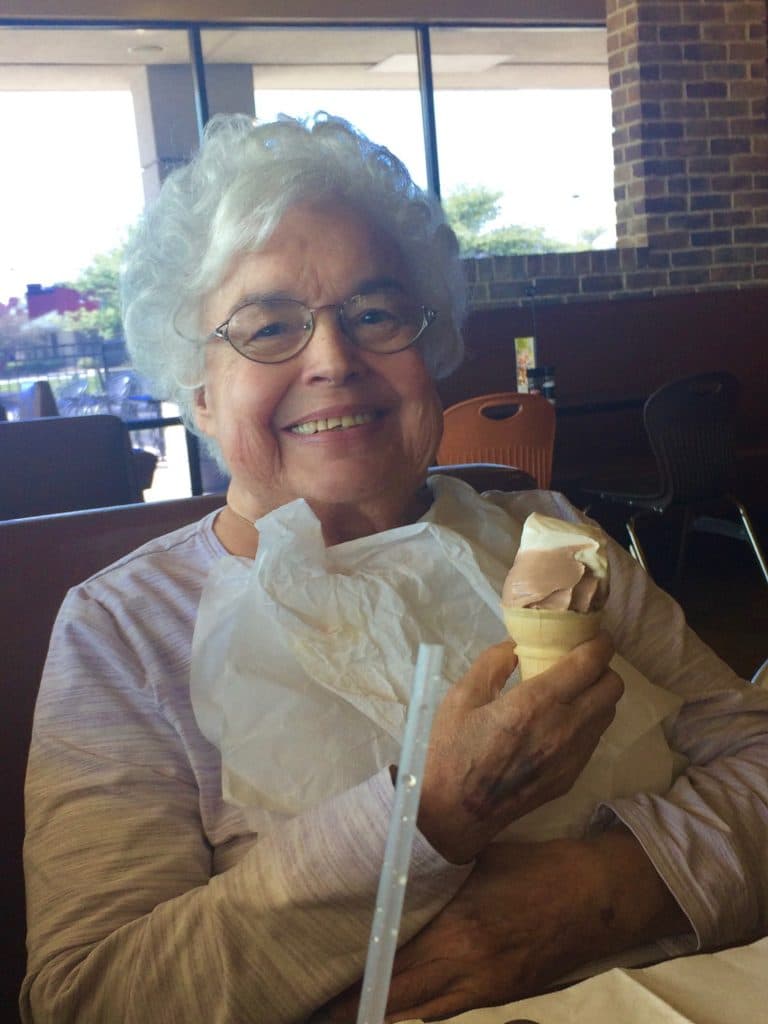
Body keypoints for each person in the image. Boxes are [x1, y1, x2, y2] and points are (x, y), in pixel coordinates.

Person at [22, 113, 768, 1024]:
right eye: (268, 327)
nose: (334, 360)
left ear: (431, 350)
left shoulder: (555, 540)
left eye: (375, 314)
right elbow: (92, 997)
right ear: (201, 394)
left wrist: (602, 889)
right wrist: (430, 817)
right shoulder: (121, 628)